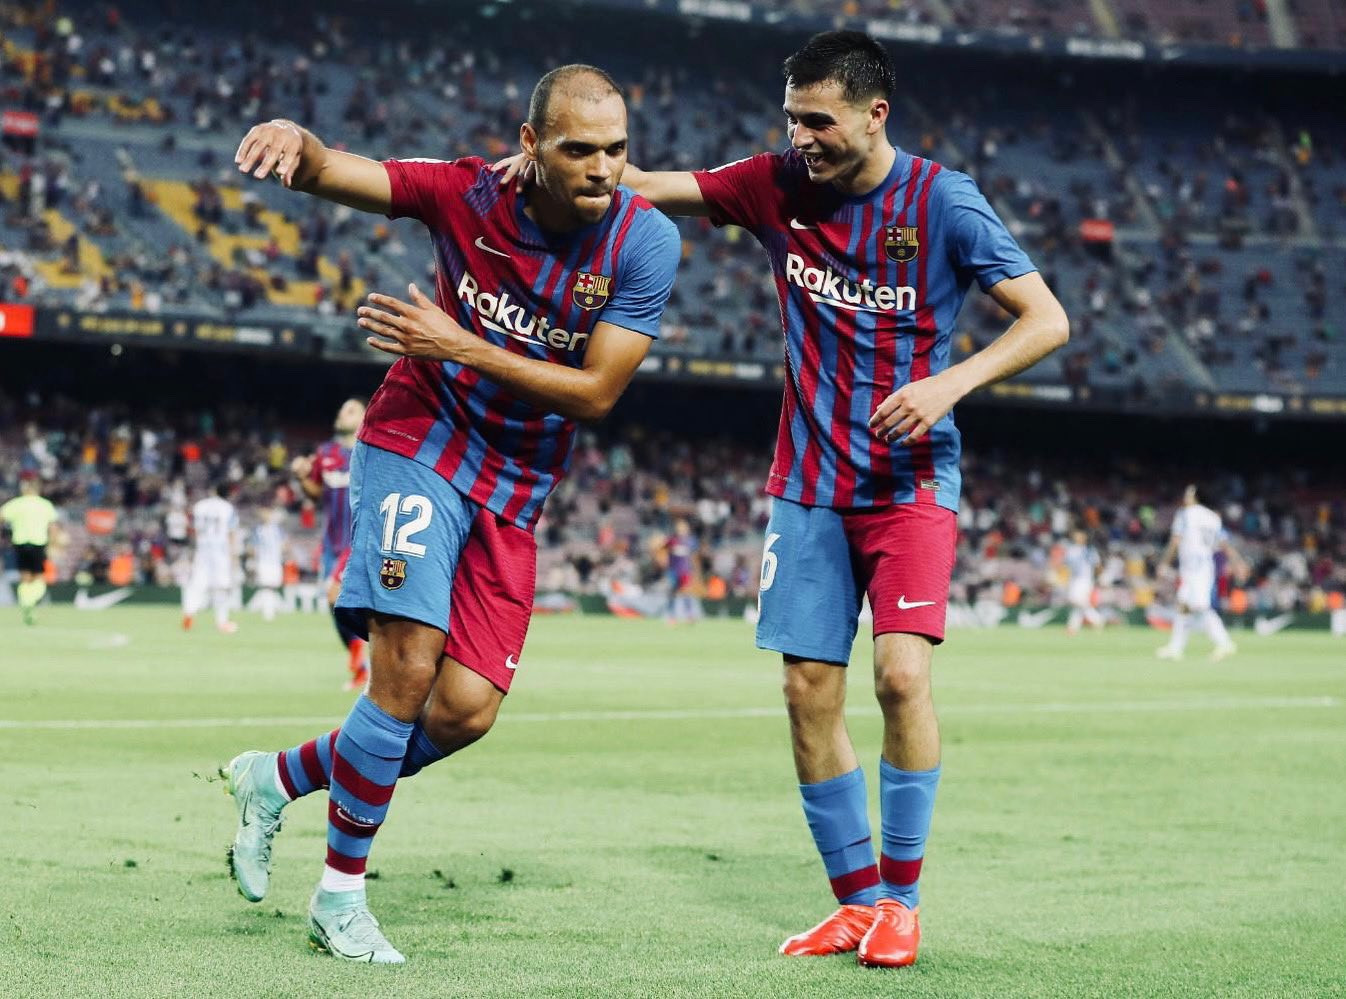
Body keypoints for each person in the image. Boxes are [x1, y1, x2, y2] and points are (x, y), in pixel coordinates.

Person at [501, 30, 1067, 968]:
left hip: (909, 479)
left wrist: (948, 385)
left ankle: (904, 900)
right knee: (808, 689)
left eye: (819, 119)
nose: (801, 135)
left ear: (875, 114)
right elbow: (658, 185)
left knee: (900, 676)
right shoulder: (773, 185)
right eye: (792, 117)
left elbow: (1046, 318)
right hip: (807, 483)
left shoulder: (944, 202)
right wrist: (535, 166)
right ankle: (853, 903)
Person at [220, 63, 680, 965]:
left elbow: (594, 393)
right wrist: (294, 138)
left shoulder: (646, 240)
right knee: (405, 667)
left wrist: (457, 339)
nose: (602, 168)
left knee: (464, 709)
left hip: (515, 482)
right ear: (530, 146)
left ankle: (277, 778)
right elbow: (338, 171)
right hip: (417, 442)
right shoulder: (467, 194)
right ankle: (340, 897)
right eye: (578, 149)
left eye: (617, 150)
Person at [292, 398, 369, 687]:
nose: (342, 413)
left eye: (350, 410)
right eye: (341, 409)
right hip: (331, 543)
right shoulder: (326, 453)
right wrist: (302, 477)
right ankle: (361, 663)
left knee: (334, 597)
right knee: (334, 605)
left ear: (364, 416)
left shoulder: (372, 451)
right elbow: (315, 495)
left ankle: (362, 657)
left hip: (359, 539)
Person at [1156, 485, 1247, 662]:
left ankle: (1224, 642)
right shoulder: (1213, 517)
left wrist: (1164, 563)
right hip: (1205, 565)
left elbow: (1175, 541)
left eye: (1187, 493)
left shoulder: (1185, 514)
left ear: (1195, 496)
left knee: (1200, 606)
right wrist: (1238, 562)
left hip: (1193, 566)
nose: (1185, 496)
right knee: (1184, 606)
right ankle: (1175, 648)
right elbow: (1224, 544)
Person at [1, 471, 59, 625]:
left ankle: (27, 603)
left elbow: (1, 516)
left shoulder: (17, 503)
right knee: (39, 577)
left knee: (25, 577)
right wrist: (53, 545)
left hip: (20, 544)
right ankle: (30, 601)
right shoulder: (44, 504)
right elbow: (53, 527)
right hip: (38, 543)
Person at [182, 483, 240, 634]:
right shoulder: (228, 508)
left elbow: (193, 528)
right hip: (220, 550)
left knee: (197, 583)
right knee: (221, 586)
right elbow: (231, 532)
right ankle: (222, 622)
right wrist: (233, 555)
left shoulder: (200, 506)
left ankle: (189, 613)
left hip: (203, 548)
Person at [1062, 529, 1103, 635]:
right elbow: (1066, 565)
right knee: (1078, 604)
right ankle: (1073, 627)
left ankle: (1097, 619)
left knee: (1077, 601)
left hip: (1085, 579)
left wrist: (1097, 577)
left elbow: (1097, 565)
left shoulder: (1089, 550)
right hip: (1074, 579)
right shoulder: (1071, 550)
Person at [251, 505, 287, 623]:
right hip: (263, 562)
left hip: (275, 562)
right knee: (267, 586)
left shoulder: (278, 529)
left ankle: (271, 609)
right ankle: (268, 612)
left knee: (272, 586)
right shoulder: (258, 530)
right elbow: (254, 547)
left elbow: (284, 545)